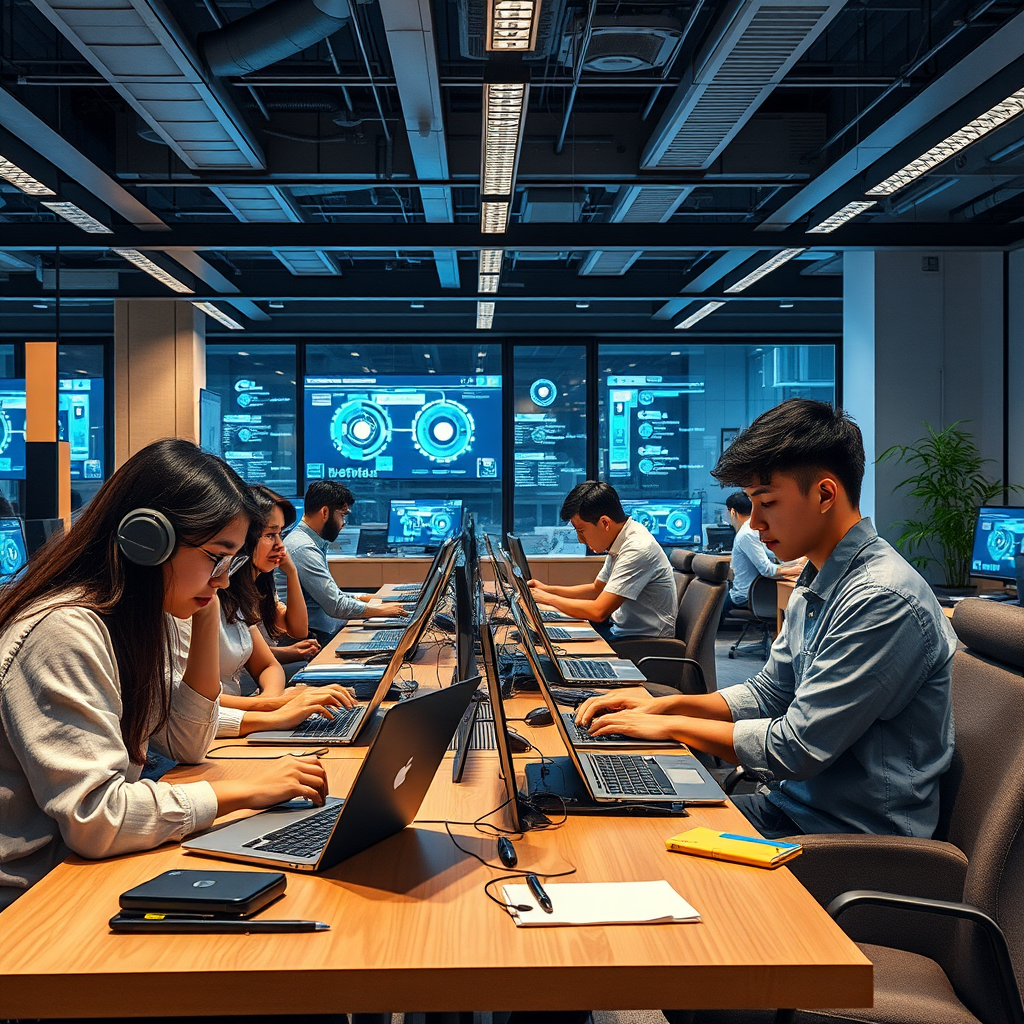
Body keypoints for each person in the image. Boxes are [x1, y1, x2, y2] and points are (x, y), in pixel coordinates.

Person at [576, 399, 956, 840]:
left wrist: (667, 724)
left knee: (638, 846)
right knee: (618, 817)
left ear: (825, 495)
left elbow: (798, 747)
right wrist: (665, 703)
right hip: (791, 808)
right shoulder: (818, 576)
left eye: (767, 503)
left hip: (850, 842)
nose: (754, 523)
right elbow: (771, 691)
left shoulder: (880, 599)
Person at [0, 438, 330, 909]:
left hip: (74, 871)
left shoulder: (137, 616)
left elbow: (183, 744)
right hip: (31, 897)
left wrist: (207, 609)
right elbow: (96, 817)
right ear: (147, 540)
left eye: (232, 561)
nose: (224, 577)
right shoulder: (64, 628)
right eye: (217, 557)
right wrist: (242, 790)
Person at [214, 486, 357, 739]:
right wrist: (272, 705)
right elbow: (197, 705)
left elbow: (269, 661)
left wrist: (271, 701)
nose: (281, 546)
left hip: (241, 708)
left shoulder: (241, 595)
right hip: (233, 713)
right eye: (271, 535)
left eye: (280, 534)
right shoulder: (212, 597)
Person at [528, 480, 677, 641]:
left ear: (605, 523)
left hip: (645, 643)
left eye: (581, 531)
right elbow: (596, 589)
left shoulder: (638, 548)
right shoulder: (621, 539)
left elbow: (598, 612)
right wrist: (546, 589)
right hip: (621, 632)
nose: (580, 540)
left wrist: (545, 598)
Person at [285, 480, 408, 646]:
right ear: (325, 512)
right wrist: (380, 611)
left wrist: (367, 598)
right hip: (314, 638)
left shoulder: (311, 542)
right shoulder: (303, 548)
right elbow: (335, 605)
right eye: (342, 515)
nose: (343, 524)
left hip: (324, 631)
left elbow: (330, 595)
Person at [722, 489, 802, 619]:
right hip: (751, 594)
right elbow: (769, 566)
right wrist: (795, 568)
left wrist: (796, 566)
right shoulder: (750, 532)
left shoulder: (747, 533)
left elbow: (767, 568)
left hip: (748, 596)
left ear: (732, 512)